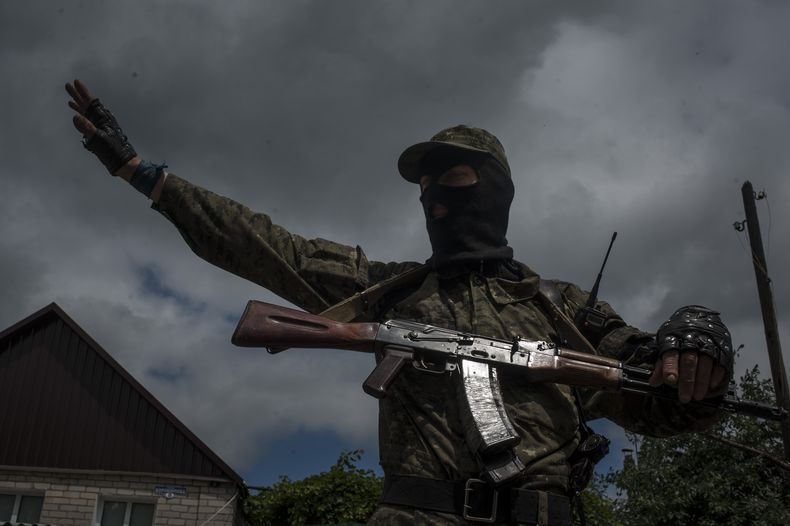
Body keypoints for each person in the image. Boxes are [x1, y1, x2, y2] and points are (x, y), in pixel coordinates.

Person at [66, 79, 733, 525]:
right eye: (425, 187)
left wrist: (697, 343)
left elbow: (664, 398)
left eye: (455, 179)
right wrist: (145, 176)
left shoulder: (564, 310)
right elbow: (264, 246)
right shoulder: (388, 289)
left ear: (495, 191)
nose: (435, 199)